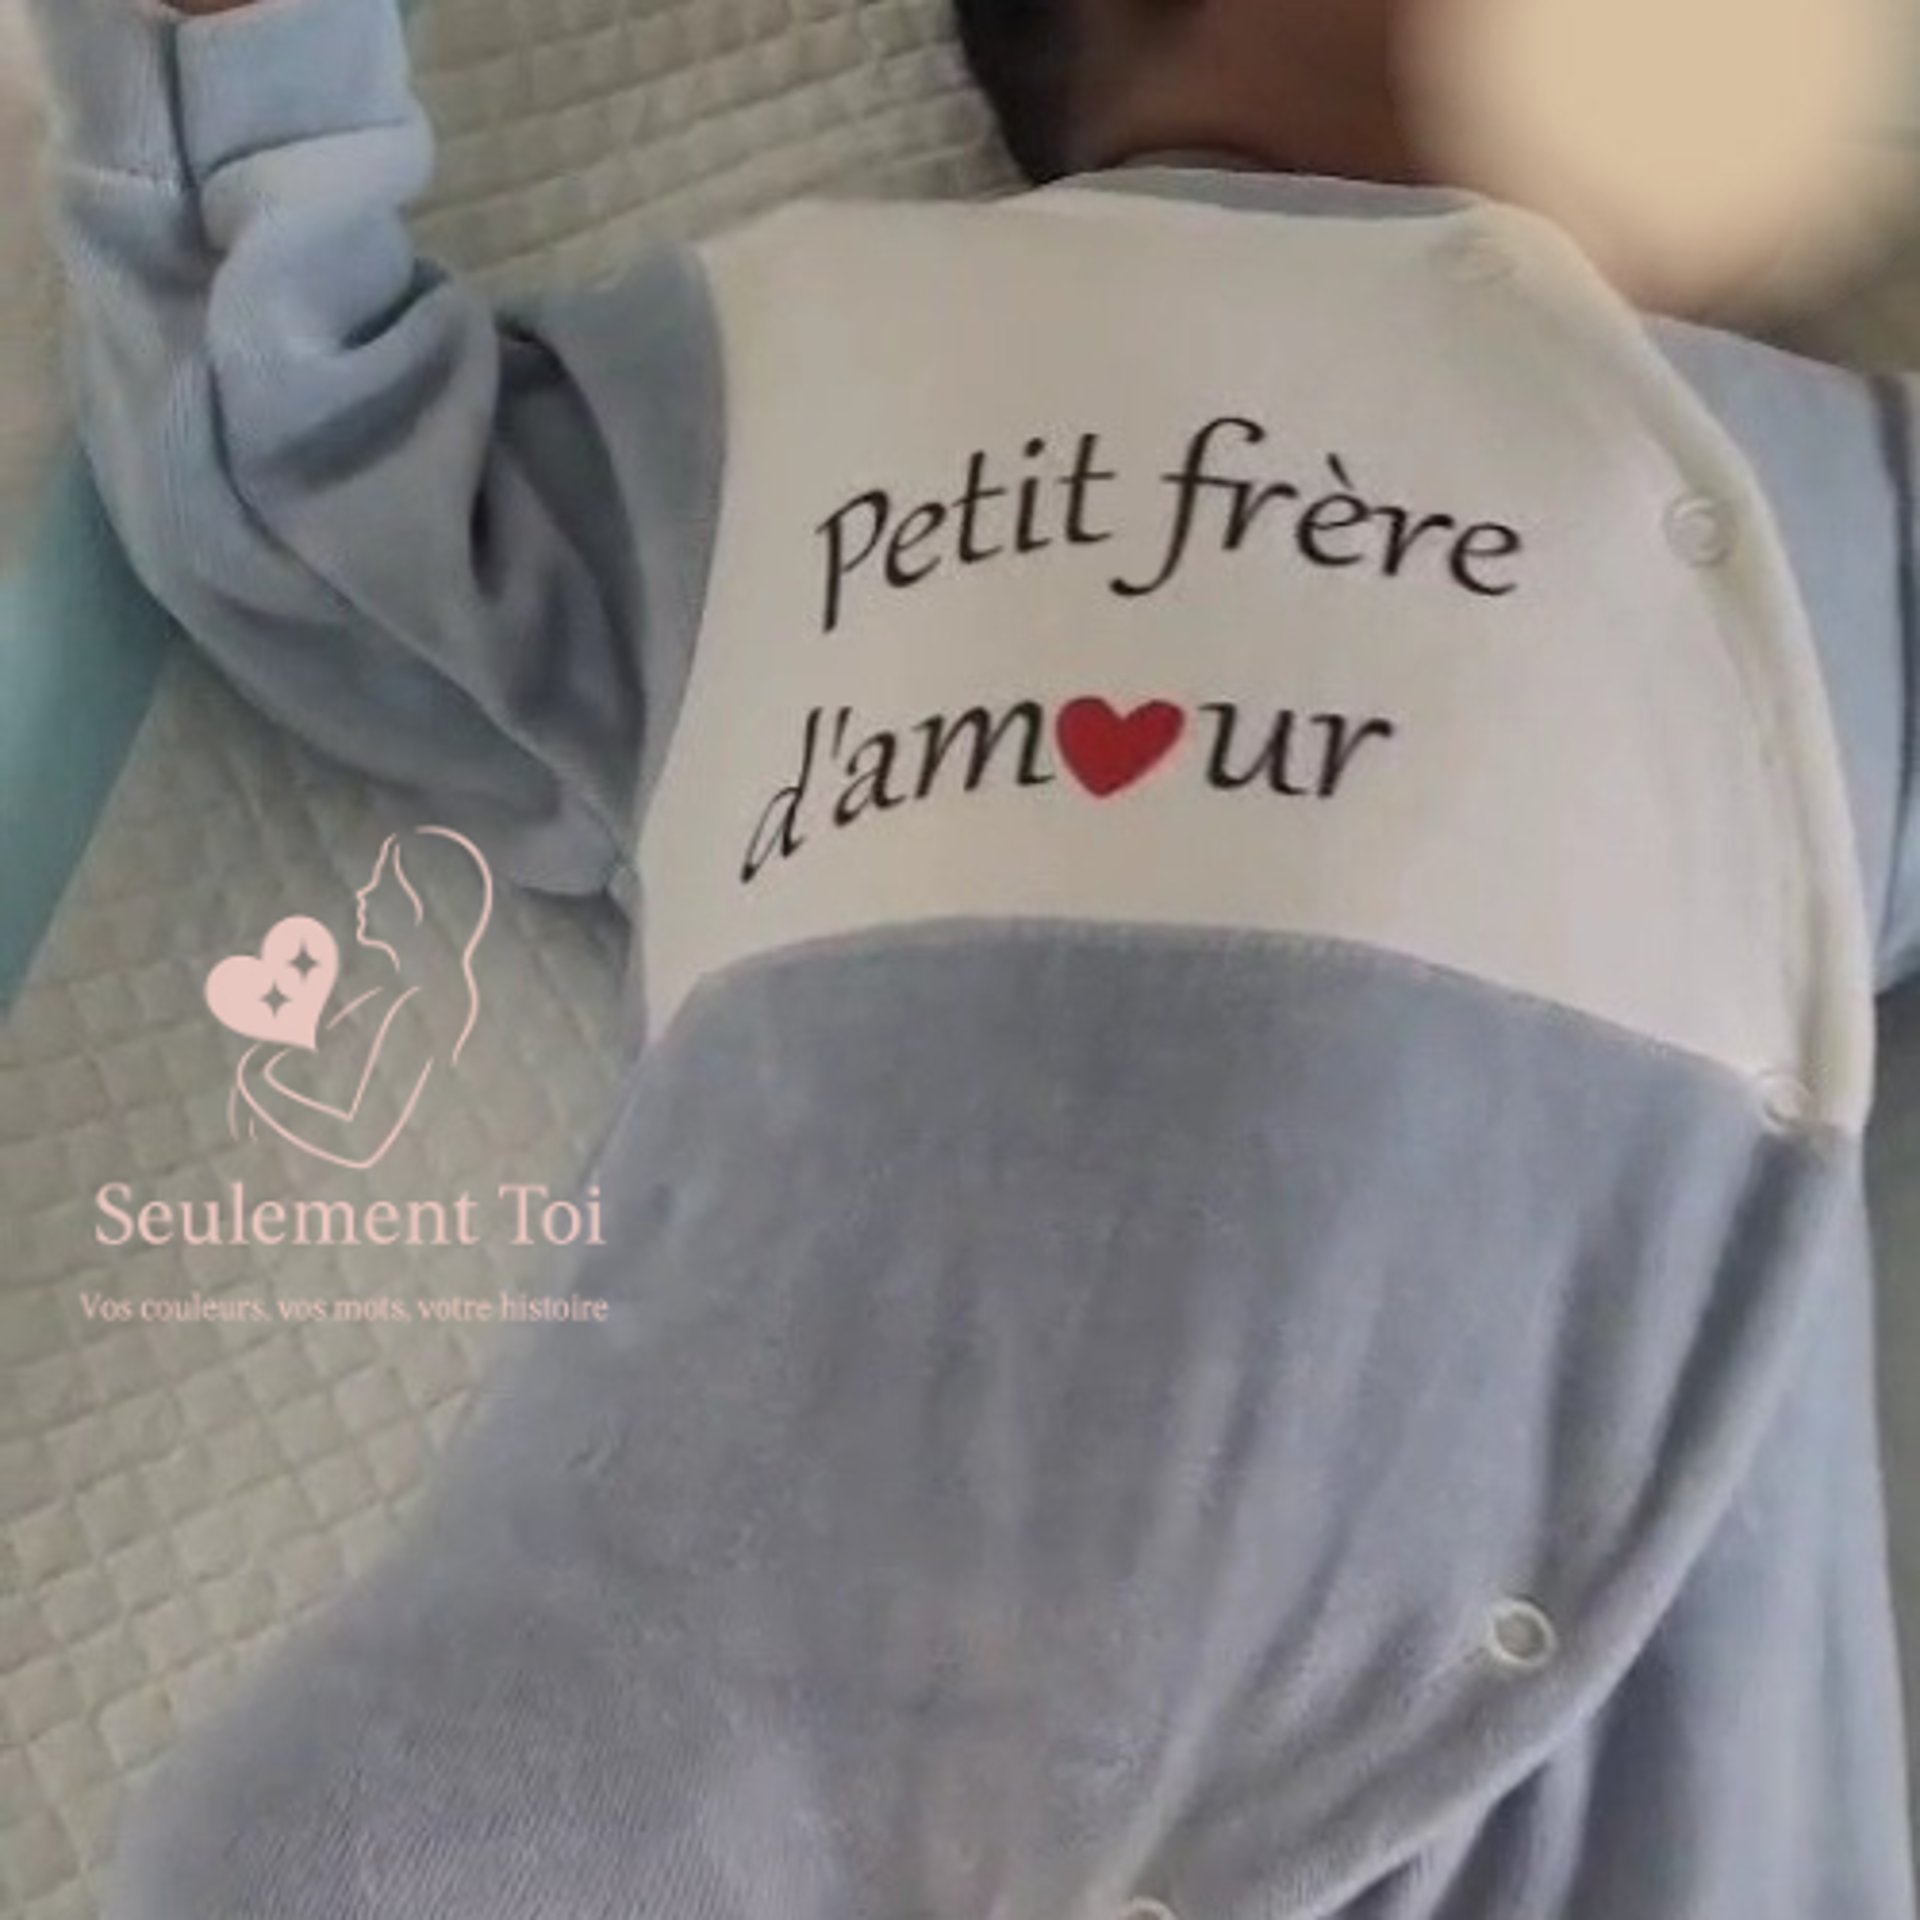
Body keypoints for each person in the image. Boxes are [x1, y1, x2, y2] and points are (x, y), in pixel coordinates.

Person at [25, 0, 1920, 1912]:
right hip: (730, 1713)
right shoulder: (805, 348)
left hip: (1579, 1774)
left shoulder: (1829, 479)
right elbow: (316, 473)